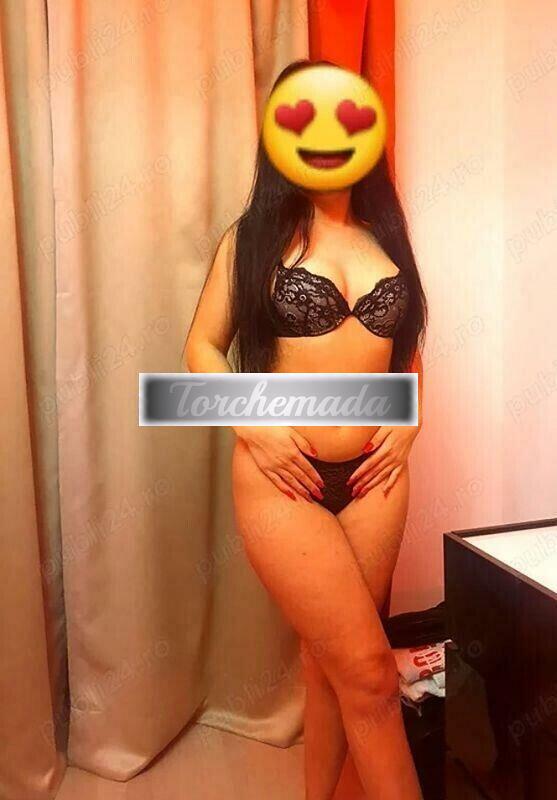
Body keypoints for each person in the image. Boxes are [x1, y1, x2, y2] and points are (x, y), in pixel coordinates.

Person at [184, 59, 427, 800]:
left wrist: (411, 419)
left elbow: (407, 351)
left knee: (333, 666)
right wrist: (251, 424)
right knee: (374, 676)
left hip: (376, 479)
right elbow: (201, 349)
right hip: (282, 479)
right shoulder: (254, 240)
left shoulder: (386, 236)